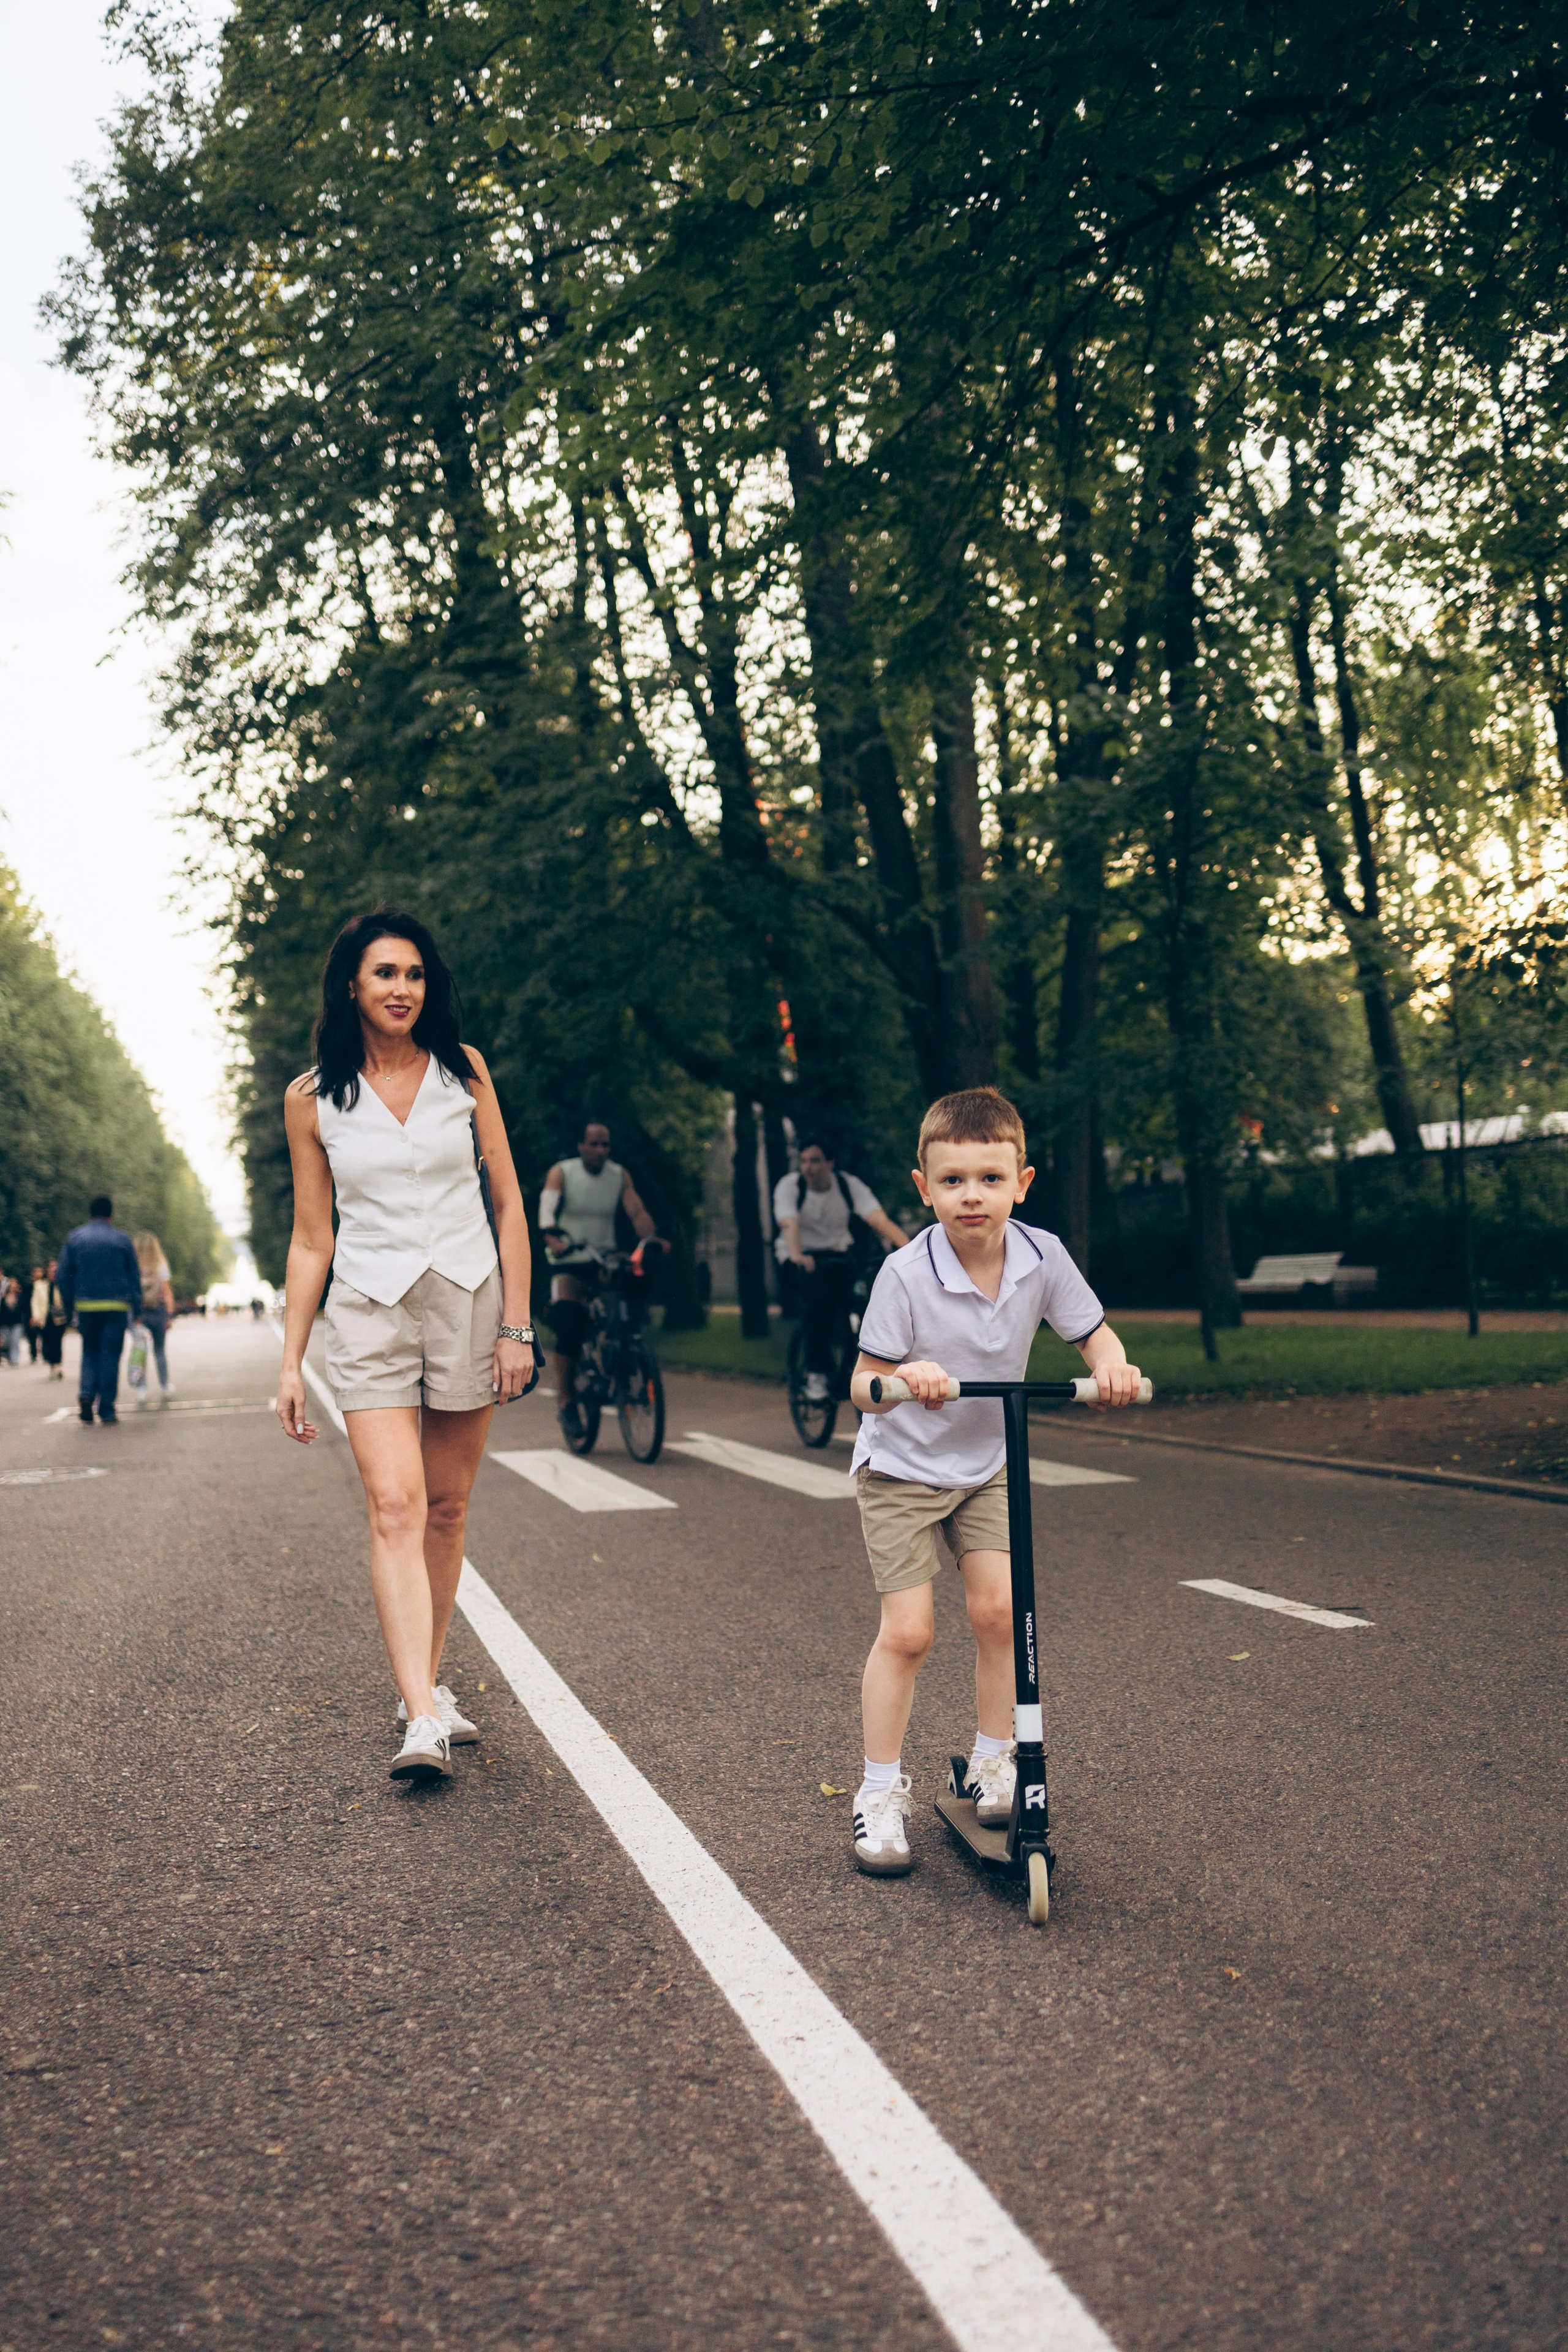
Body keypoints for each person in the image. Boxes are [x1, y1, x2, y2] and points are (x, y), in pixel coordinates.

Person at [844, 1087, 1143, 1877]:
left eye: (988, 1177)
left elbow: (1093, 1334)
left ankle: (991, 1760)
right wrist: (909, 1376)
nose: (971, 1195)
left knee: (1000, 1612)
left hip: (986, 1462)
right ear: (923, 1188)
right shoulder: (905, 1273)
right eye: (952, 1181)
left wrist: (1111, 1370)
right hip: (903, 1468)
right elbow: (863, 1385)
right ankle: (877, 1794)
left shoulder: (1043, 1256)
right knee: (909, 1632)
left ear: (1023, 1180)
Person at [275, 907, 537, 1783]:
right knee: (394, 1503)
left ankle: (422, 1679)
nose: (401, 989)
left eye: (415, 975)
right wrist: (290, 1361)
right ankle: (421, 1717)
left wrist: (516, 1325)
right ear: (351, 983)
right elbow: (314, 1238)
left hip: (467, 1300)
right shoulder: (312, 1099)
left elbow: (507, 1200)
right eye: (385, 973)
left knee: (447, 1508)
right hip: (370, 1309)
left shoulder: (464, 1073)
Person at [540, 1121, 660, 1442]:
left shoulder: (618, 1176)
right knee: (569, 1324)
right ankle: (566, 1401)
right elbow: (547, 1212)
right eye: (593, 1144)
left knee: (627, 1297)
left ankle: (622, 1355)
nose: (600, 1151)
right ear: (580, 1146)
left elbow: (636, 1211)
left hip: (604, 1259)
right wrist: (553, 1239)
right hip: (569, 1260)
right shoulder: (562, 1172)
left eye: (605, 1145)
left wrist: (651, 1238)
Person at [774, 1138, 906, 1401]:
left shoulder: (847, 1186)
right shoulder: (791, 1187)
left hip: (838, 1256)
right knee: (819, 1302)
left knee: (862, 1304)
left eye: (815, 1161)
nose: (808, 1168)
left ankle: (859, 1367)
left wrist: (912, 1251)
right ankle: (816, 1374)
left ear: (830, 1164)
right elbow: (789, 1224)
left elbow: (878, 1220)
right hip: (800, 1257)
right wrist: (798, 1255)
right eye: (803, 1161)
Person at [55, 1197, 143, 1425]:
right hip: (116, 1306)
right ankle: (106, 1408)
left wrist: (69, 1304)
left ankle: (86, 1393)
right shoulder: (122, 1239)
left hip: (86, 1306)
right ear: (111, 1215)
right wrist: (138, 1308)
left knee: (90, 1351)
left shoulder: (75, 1238)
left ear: (90, 1214)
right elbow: (134, 1277)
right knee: (110, 1356)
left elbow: (63, 1275)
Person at [133, 1232, 178, 1403]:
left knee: (140, 1353)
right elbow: (166, 1291)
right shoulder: (160, 1264)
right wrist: (170, 1316)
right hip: (158, 1311)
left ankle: (142, 1389)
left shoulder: (134, 1265)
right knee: (159, 1351)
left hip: (140, 1313)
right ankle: (165, 1385)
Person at [38, 1259, 67, 1380]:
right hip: (45, 1318)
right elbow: (35, 1302)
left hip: (59, 1318)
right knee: (47, 1343)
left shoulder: (62, 1285)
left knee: (57, 1341)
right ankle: (51, 1364)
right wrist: (36, 1317)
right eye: (51, 1269)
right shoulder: (40, 1285)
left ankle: (57, 1365)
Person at [0, 1276, 25, 1366]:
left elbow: (24, 1310)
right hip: (5, 1324)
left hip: (17, 1323)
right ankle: (8, 1356)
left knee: (15, 1341)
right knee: (6, 1342)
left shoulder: (20, 1297)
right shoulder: (4, 1298)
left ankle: (14, 1359)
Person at [26, 1268, 48, 1363]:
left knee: (44, 1335)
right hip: (30, 1314)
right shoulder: (28, 1285)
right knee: (32, 1336)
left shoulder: (45, 1284)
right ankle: (34, 1354)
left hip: (43, 1314)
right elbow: (28, 1302)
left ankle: (45, 1353)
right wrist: (31, 1316)